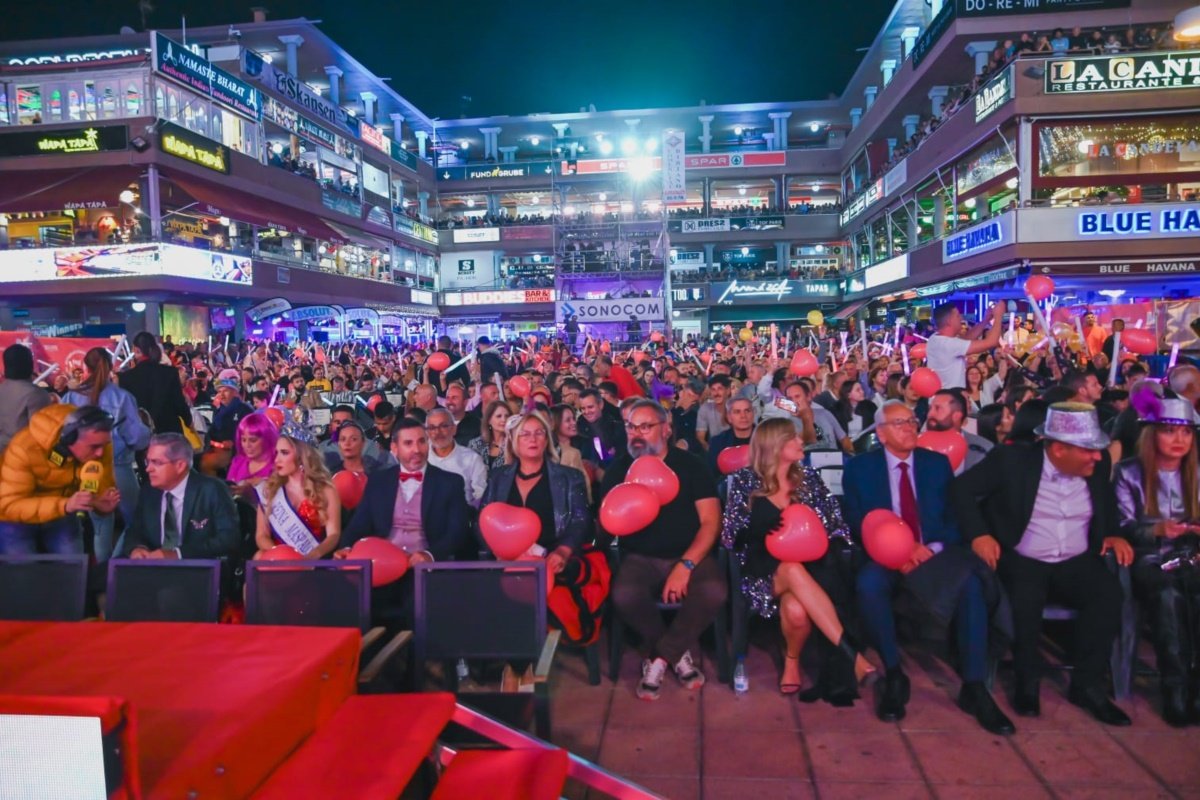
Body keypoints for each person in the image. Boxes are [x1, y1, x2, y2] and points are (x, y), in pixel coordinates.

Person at [952, 403, 1133, 726]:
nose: (1096, 456)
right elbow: (961, 490)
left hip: (1076, 559)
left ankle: (1087, 685)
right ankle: (1026, 681)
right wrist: (979, 535)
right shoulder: (1012, 461)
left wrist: (1112, 534)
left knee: (1107, 595)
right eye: (1087, 450)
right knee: (1024, 600)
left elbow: (1105, 504)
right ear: (1059, 448)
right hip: (1024, 556)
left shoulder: (1098, 464)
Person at [843, 400, 1013, 733]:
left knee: (971, 585)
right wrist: (898, 550)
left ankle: (974, 686)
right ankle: (893, 673)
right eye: (899, 423)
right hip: (885, 553)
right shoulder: (860, 468)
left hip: (934, 552)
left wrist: (931, 548)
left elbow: (953, 518)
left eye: (911, 421)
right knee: (869, 585)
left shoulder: (936, 464)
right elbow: (855, 520)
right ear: (880, 433)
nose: (910, 428)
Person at [721, 418, 873, 699]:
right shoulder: (745, 481)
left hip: (810, 569)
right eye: (793, 438)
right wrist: (758, 530)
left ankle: (791, 661)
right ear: (775, 445)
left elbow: (836, 524)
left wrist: (825, 540)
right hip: (762, 574)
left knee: (796, 610)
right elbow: (730, 537)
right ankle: (854, 658)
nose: (801, 441)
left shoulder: (810, 479)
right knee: (790, 569)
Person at [600, 399, 728, 700]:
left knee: (713, 591)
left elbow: (711, 523)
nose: (636, 434)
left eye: (645, 426)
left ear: (667, 429)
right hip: (640, 557)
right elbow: (607, 524)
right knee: (624, 595)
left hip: (689, 553)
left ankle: (658, 658)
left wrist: (685, 566)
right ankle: (677, 654)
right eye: (631, 427)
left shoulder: (691, 466)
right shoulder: (619, 470)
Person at [1113, 397, 1200, 725]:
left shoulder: (1197, 472)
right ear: (1152, 435)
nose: (1179, 440)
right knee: (1168, 594)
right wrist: (1158, 528)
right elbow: (1121, 525)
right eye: (1168, 431)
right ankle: (1174, 688)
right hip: (1149, 558)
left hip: (1192, 556)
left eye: (1186, 433)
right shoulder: (1128, 472)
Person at [337, 418, 473, 623]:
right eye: (408, 444)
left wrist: (429, 554)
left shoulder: (450, 482)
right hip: (381, 568)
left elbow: (458, 531)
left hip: (425, 571)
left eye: (421, 441)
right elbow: (358, 524)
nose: (417, 449)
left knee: (415, 611)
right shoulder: (378, 481)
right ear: (394, 448)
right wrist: (346, 546)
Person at [63, 348, 152, 561]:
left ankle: (103, 575)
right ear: (111, 366)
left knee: (100, 527)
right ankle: (117, 565)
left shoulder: (70, 397)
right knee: (136, 521)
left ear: (85, 367)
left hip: (83, 471)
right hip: (119, 468)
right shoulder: (122, 398)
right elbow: (136, 438)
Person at [0, 405, 119, 554]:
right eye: (94, 447)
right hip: (16, 520)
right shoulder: (22, 449)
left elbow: (101, 488)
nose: (100, 453)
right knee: (24, 574)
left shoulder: (99, 443)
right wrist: (65, 505)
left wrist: (99, 504)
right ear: (69, 438)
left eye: (104, 445)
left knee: (72, 571)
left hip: (64, 512)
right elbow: (9, 505)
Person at [478, 411, 589, 570]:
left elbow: (581, 521)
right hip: (505, 563)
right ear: (515, 441)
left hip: (553, 562)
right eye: (525, 434)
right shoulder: (498, 478)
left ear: (546, 440)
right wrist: (499, 551)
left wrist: (563, 551)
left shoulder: (570, 477)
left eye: (539, 433)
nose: (533, 439)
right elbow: (482, 520)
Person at [120, 433, 241, 560]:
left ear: (180, 466)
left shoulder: (212, 490)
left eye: (156, 462)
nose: (148, 469)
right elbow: (134, 531)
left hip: (199, 570)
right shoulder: (149, 491)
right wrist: (138, 548)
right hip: (153, 568)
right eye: (148, 461)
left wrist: (178, 555)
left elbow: (229, 539)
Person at [254, 434, 342, 560]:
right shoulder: (268, 490)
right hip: (277, 562)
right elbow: (261, 535)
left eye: (284, 453)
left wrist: (312, 556)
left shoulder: (326, 490)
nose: (277, 459)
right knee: (259, 557)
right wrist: (282, 555)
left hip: (313, 562)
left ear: (302, 456)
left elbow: (333, 534)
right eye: (275, 453)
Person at [118, 331, 191, 434]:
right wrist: (189, 421)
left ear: (135, 349)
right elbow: (179, 402)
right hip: (169, 432)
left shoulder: (125, 377)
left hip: (141, 434)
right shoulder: (169, 372)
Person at [926, 303, 1005, 390]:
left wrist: (985, 320)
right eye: (957, 316)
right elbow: (991, 342)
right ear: (949, 321)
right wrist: (998, 317)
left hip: (941, 396)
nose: (961, 318)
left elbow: (965, 339)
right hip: (951, 399)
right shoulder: (949, 344)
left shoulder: (935, 338)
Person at [426, 407, 487, 507]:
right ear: (427, 432)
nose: (438, 432)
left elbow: (480, 496)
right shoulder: (420, 458)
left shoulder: (472, 459)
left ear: (454, 429)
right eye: (432, 428)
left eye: (443, 426)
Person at [0, 344, 52, 457]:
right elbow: (41, 433)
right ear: (30, 364)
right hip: (23, 457)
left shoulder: (2, 389)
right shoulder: (36, 394)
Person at [924, 390, 993, 474]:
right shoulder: (915, 445)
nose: (930, 414)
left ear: (956, 416)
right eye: (930, 408)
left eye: (937, 408)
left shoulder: (984, 448)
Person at [201, 373, 251, 476]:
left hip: (235, 450)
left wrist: (233, 442)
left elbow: (250, 433)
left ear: (235, 393)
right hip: (216, 447)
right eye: (219, 392)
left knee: (206, 463)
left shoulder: (244, 409)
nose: (222, 395)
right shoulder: (219, 411)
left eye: (226, 391)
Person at [576, 388, 626, 475]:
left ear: (601, 405)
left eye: (590, 407)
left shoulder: (617, 425)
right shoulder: (578, 430)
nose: (586, 412)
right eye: (583, 408)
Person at [226, 412, 279, 487]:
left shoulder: (278, 465)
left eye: (253, 440)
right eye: (243, 440)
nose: (247, 445)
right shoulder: (238, 462)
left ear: (267, 439)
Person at [707, 396, 754, 477]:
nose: (743, 416)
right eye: (737, 412)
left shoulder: (765, 439)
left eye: (747, 411)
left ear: (753, 414)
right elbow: (713, 475)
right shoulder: (717, 442)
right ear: (729, 417)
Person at [468, 399, 511, 476]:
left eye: (507, 416)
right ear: (489, 420)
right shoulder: (475, 444)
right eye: (499, 416)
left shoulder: (514, 445)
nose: (504, 420)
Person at [695, 375, 732, 449]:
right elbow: (700, 437)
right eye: (713, 390)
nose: (716, 393)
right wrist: (710, 451)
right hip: (714, 449)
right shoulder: (705, 408)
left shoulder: (736, 407)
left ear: (728, 391)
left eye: (720, 389)